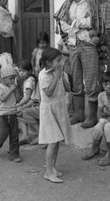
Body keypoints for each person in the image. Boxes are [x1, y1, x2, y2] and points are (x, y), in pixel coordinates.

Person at [54, 0, 100, 128]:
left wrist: (74, 23)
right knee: (76, 80)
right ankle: (79, 113)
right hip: (73, 44)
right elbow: (63, 25)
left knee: (91, 80)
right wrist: (80, 24)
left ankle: (92, 117)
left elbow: (93, 21)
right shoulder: (67, 5)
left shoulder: (90, 1)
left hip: (88, 43)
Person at [38, 47, 73, 183]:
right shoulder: (43, 75)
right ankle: (48, 172)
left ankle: (53, 168)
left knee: (57, 140)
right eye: (57, 60)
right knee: (52, 141)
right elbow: (48, 93)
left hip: (59, 108)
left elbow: (68, 88)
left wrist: (62, 76)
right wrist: (56, 77)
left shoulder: (60, 72)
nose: (60, 63)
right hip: (49, 111)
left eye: (60, 60)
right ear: (48, 63)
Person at [82, 72, 110, 166]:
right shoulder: (101, 96)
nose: (108, 87)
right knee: (99, 126)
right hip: (107, 119)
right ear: (102, 85)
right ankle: (94, 148)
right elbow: (99, 114)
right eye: (105, 84)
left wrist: (107, 112)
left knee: (108, 126)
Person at [0, 64, 22, 163]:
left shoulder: (12, 88)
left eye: (14, 78)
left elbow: (17, 100)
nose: (13, 81)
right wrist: (11, 90)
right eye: (11, 78)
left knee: (14, 135)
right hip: (3, 115)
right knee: (2, 133)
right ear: (3, 78)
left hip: (12, 113)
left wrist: (16, 91)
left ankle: (14, 154)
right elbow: (3, 98)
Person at [15, 60, 39, 145]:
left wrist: (19, 105)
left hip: (33, 104)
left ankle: (38, 134)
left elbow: (27, 97)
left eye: (23, 71)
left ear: (30, 71)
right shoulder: (26, 79)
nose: (21, 73)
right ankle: (25, 134)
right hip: (29, 102)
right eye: (20, 71)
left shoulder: (30, 80)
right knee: (17, 111)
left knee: (20, 111)